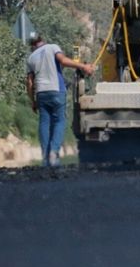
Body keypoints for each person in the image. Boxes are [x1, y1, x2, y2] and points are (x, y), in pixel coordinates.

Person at [26, 32, 93, 167]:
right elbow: (63, 61)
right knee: (59, 121)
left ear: (32, 45)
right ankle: (54, 153)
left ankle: (45, 156)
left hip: (41, 93)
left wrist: (33, 101)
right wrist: (83, 66)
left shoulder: (31, 58)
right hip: (56, 90)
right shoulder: (52, 47)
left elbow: (29, 83)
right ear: (42, 39)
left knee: (44, 122)